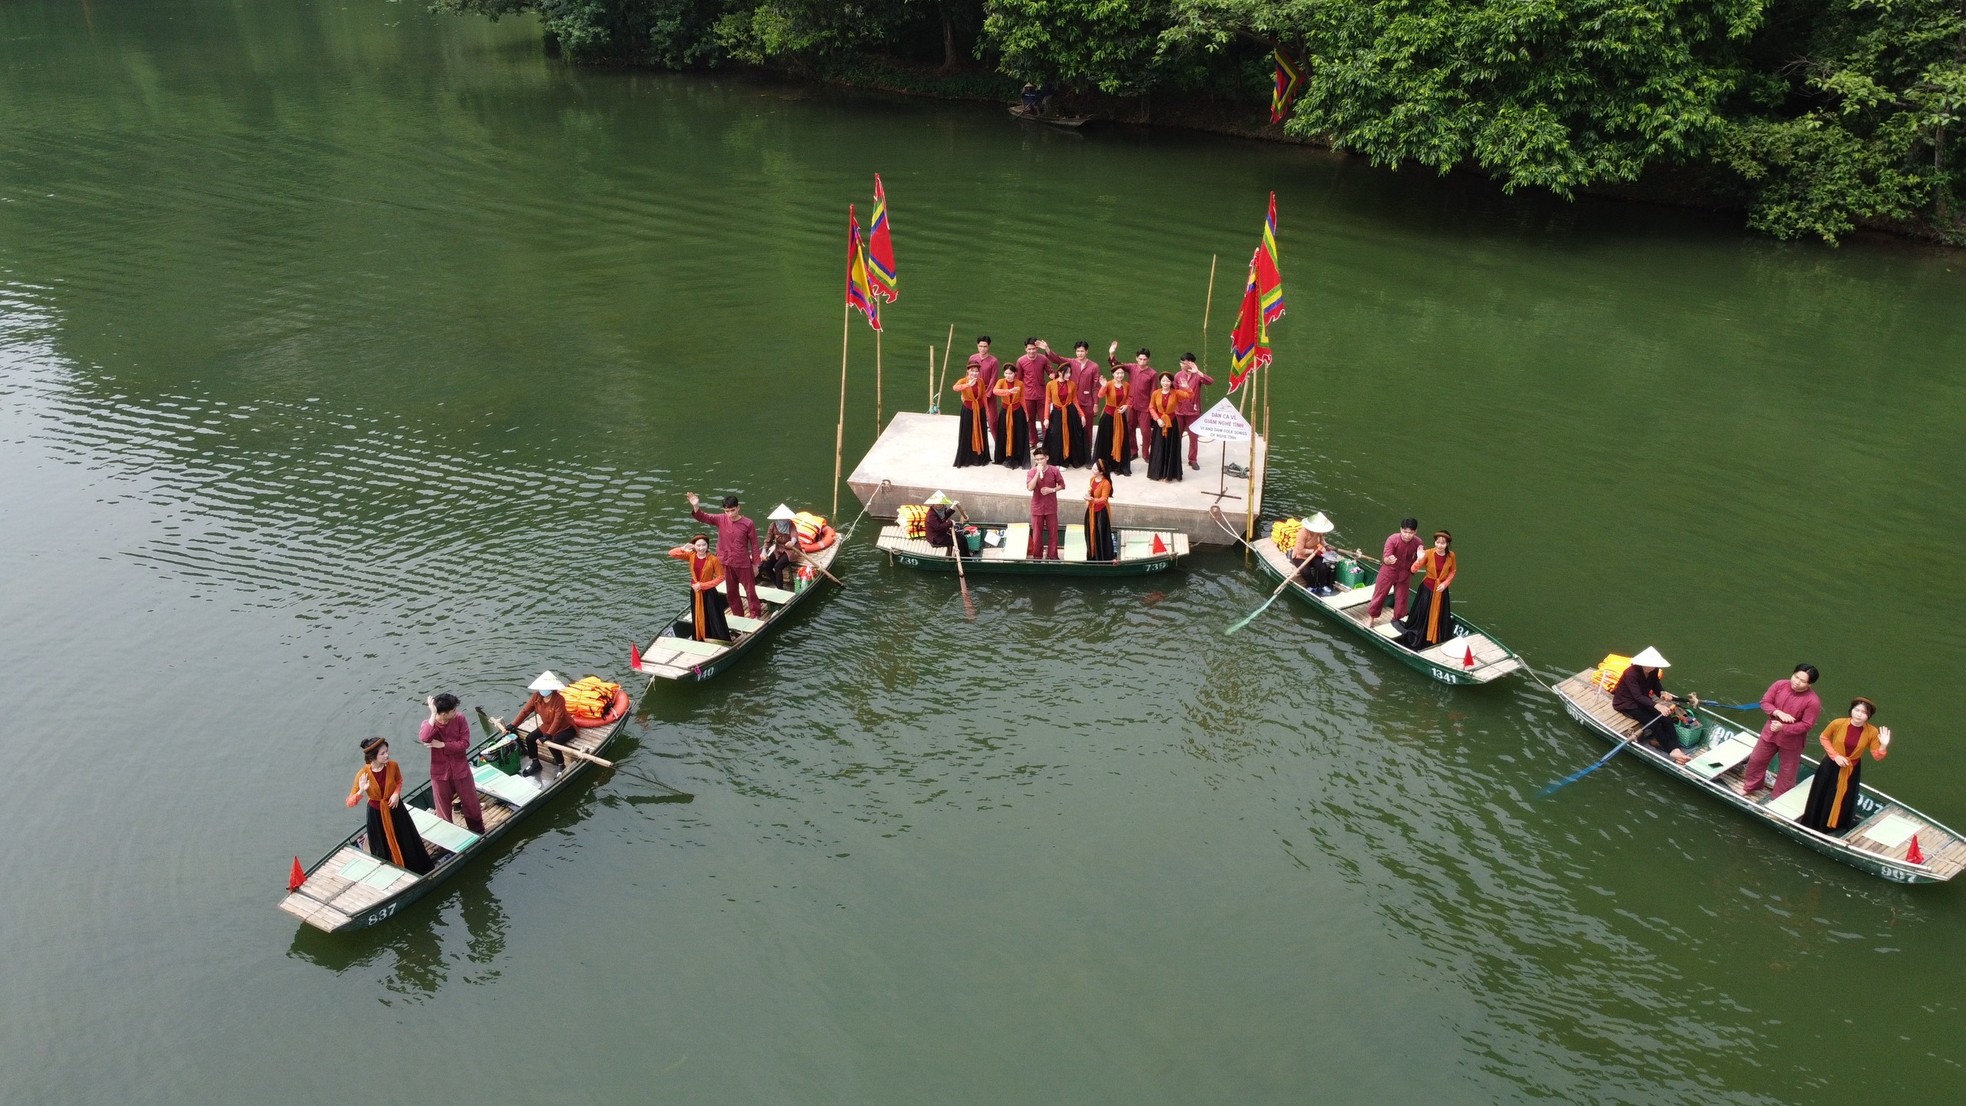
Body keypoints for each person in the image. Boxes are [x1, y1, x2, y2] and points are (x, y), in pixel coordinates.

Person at [1797, 697, 1892, 834]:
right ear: (1851, 710)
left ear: (1868, 716)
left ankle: (1834, 827)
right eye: (1857, 710)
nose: (1859, 714)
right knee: (1823, 793)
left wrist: (1883, 745)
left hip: (1851, 769)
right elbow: (1824, 737)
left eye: (1864, 712)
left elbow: (1877, 756)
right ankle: (1813, 824)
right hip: (1831, 765)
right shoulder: (1838, 723)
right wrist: (1835, 756)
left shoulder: (1872, 732)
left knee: (1845, 798)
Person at [344, 737, 434, 874]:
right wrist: (362, 790)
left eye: (387, 751)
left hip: (396, 808)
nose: (387, 755)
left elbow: (399, 780)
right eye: (382, 753)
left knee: (406, 839)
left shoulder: (393, 766)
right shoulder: (363, 774)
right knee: (383, 845)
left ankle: (417, 870)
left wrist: (396, 793)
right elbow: (350, 803)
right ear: (373, 758)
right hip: (377, 814)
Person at [1738, 664, 1824, 798]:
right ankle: (1751, 786)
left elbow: (1807, 725)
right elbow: (1765, 702)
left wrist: (1784, 727)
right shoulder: (1780, 685)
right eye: (1796, 677)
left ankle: (1778, 798)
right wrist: (1777, 712)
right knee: (1756, 760)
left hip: (1792, 740)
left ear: (1809, 684)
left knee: (1787, 772)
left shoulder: (1813, 701)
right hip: (1770, 732)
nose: (1796, 682)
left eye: (1802, 681)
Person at [1609, 646, 1695, 764]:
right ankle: (1670, 751)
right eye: (1648, 664)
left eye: (1653, 664)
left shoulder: (1653, 670)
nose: (1650, 666)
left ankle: (1676, 748)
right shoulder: (1630, 673)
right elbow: (1637, 696)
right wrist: (1657, 705)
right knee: (1654, 723)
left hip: (1644, 700)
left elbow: (1655, 684)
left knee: (1666, 718)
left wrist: (1662, 693)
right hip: (1627, 703)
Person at [418, 693, 485, 835]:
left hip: (460, 769)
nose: (456, 712)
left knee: (471, 803)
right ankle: (448, 838)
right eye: (453, 710)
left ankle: (478, 831)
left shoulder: (460, 719)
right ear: (442, 713)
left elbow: (464, 743)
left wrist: (442, 745)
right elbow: (424, 737)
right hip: (440, 773)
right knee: (442, 808)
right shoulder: (429, 724)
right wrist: (432, 713)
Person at [688, 492, 761, 619]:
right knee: (731, 593)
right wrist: (696, 505)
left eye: (732, 510)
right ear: (724, 510)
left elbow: (754, 544)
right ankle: (738, 616)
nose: (730, 514)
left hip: (742, 562)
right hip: (725, 563)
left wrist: (756, 564)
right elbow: (703, 517)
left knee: (750, 591)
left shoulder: (748, 523)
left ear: (738, 507)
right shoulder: (721, 519)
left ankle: (756, 615)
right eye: (727, 511)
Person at [508, 670, 576, 777]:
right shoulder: (536, 697)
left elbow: (558, 719)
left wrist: (547, 735)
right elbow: (525, 711)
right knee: (530, 738)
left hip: (565, 727)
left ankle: (561, 765)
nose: (542, 690)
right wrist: (513, 725)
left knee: (554, 742)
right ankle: (535, 763)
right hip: (547, 725)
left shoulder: (559, 699)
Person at [668, 534, 731, 644]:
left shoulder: (713, 559)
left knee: (713, 616)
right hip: (695, 592)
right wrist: (682, 549)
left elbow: (721, 577)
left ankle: (718, 639)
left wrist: (702, 585)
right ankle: (700, 636)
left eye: (704, 545)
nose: (701, 548)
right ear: (694, 546)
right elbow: (672, 553)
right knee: (697, 614)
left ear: (707, 545)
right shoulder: (691, 555)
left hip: (709, 592)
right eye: (698, 545)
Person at [1401, 530, 1457, 649]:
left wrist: (1446, 583)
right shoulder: (1428, 553)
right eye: (1437, 542)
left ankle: (1437, 636)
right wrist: (1419, 559)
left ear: (1447, 544)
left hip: (1441, 591)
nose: (1439, 545)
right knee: (1423, 616)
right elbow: (1413, 570)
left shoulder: (1451, 555)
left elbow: (1453, 571)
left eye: (1442, 543)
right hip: (1427, 590)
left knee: (1441, 616)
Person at [1366, 518, 1422, 625]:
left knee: (1402, 599)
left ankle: (1398, 621)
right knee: (1380, 595)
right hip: (1388, 571)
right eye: (1405, 532)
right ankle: (1371, 617)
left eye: (1410, 533)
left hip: (1405, 573)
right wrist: (1389, 560)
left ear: (1415, 532)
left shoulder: (1418, 543)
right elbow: (1385, 558)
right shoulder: (1392, 539)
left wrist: (1418, 561)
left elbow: (1418, 560)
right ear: (1400, 529)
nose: (1407, 535)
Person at [1111, 342, 1158, 463]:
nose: (1142, 361)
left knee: (1145, 431)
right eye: (1140, 359)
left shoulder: (1152, 373)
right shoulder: (1132, 367)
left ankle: (1146, 453)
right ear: (1136, 358)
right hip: (1131, 404)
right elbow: (1117, 366)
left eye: (1145, 359)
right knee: (1130, 428)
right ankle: (1133, 451)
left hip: (1145, 407)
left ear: (1148, 359)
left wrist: (1152, 408)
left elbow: (1153, 392)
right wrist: (1112, 353)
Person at [1145, 372, 1192, 481]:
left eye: (1167, 381)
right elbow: (1151, 407)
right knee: (1158, 446)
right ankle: (1157, 472)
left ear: (1171, 382)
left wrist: (1186, 387)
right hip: (1159, 423)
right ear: (1160, 381)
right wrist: (1157, 419)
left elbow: (1190, 395)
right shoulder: (1156, 393)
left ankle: (1170, 473)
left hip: (1172, 423)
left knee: (1171, 447)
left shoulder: (1176, 393)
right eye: (1163, 381)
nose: (1165, 383)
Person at [1171, 352, 1215, 471]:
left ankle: (1192, 459)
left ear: (1190, 363)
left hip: (1193, 412)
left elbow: (1210, 382)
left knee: (1193, 437)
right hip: (1179, 411)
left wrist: (1198, 372)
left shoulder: (1197, 376)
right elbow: (1173, 391)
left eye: (1183, 363)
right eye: (1180, 362)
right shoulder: (1178, 376)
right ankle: (1175, 457)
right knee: (1176, 436)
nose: (1181, 364)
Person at [1016, 337, 1065, 438]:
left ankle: (1046, 443)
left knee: (1045, 419)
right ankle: (1033, 441)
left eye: (1033, 349)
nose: (1031, 351)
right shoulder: (1021, 361)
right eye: (1029, 349)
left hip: (1042, 395)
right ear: (1026, 349)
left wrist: (1053, 375)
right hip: (1028, 396)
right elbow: (1019, 379)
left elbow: (1050, 371)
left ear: (1037, 349)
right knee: (1030, 420)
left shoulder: (1043, 359)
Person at [1093, 365, 1134, 476]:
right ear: (1113, 374)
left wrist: (1127, 406)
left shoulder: (1126, 385)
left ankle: (1118, 464)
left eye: (1121, 373)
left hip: (1120, 415)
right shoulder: (1109, 384)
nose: (1120, 375)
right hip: (1108, 416)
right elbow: (1100, 395)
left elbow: (1130, 398)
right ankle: (1105, 464)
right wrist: (1103, 386)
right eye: (1117, 373)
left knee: (1120, 439)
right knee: (1107, 440)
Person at [1027, 447, 1066, 559]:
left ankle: (1053, 555)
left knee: (1053, 533)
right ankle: (1037, 556)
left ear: (1047, 458)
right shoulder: (1031, 472)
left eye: (1041, 459)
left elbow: (1062, 485)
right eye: (1037, 459)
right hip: (1037, 507)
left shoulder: (1054, 470)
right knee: (1037, 535)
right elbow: (1030, 487)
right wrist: (1037, 473)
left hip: (1050, 507)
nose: (1039, 461)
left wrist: (1051, 490)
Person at [1043, 365, 1085, 468]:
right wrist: (1046, 418)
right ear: (1060, 372)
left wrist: (1082, 415)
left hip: (1069, 413)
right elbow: (1048, 402)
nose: (1069, 375)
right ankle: (1057, 460)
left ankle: (1066, 461)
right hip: (1057, 413)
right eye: (1066, 373)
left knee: (1069, 436)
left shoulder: (1072, 384)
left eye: (1070, 373)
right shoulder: (1050, 384)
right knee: (1056, 436)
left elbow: (1075, 401)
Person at [951, 364, 993, 467]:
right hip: (968, 410)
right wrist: (968, 385)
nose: (974, 373)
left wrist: (987, 410)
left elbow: (983, 396)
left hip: (980, 409)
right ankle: (966, 458)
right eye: (972, 371)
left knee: (981, 432)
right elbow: (955, 388)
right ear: (968, 372)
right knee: (967, 433)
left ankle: (980, 457)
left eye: (976, 371)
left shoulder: (981, 381)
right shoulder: (964, 380)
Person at [991, 365, 1030, 468]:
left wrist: (1026, 412)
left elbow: (1022, 398)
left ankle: (1017, 456)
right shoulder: (1001, 382)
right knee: (1004, 433)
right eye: (1006, 373)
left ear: (1015, 374)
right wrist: (1008, 391)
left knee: (1017, 433)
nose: (1008, 376)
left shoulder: (1020, 384)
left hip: (1017, 411)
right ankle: (1004, 456)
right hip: (1005, 411)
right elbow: (995, 391)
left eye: (1010, 373)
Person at [1290, 512, 1337, 593]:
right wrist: (1313, 551)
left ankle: (1322, 585)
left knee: (1323, 567)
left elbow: (1322, 541)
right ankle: (1312, 585)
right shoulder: (1302, 534)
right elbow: (1299, 550)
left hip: (1314, 554)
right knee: (1306, 572)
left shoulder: (1319, 533)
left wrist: (1326, 546)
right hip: (1301, 556)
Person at [1065, 341, 1103, 436]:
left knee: (1087, 428)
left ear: (1087, 351)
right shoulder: (1071, 362)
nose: (1080, 353)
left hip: (1087, 402)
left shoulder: (1094, 366)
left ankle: (1087, 449)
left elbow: (1096, 387)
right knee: (1072, 427)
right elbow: (1057, 359)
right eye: (1078, 351)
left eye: (1082, 351)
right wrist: (1047, 349)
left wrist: (1096, 404)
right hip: (1072, 401)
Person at [757, 504, 800, 588]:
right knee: (766, 566)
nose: (782, 520)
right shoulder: (773, 526)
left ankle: (780, 589)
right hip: (779, 548)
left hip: (790, 550)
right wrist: (764, 551)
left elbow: (794, 534)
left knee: (778, 566)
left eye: (784, 518)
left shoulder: (791, 525)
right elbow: (768, 540)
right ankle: (777, 584)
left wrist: (792, 542)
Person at [1085, 458, 1117, 560]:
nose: (1092, 471)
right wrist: (1088, 495)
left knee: (1101, 535)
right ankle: (1092, 555)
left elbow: (1104, 499)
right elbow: (1091, 491)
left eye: (1095, 470)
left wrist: (1092, 500)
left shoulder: (1106, 483)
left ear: (1101, 472)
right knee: (1090, 532)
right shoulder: (1092, 479)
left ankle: (1103, 557)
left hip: (1100, 512)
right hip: (1091, 510)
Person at [967, 336, 1001, 426]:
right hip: (974, 392)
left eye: (985, 346)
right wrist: (966, 390)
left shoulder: (993, 361)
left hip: (988, 393)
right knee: (974, 418)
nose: (982, 349)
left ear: (989, 346)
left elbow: (994, 379)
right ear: (977, 346)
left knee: (992, 420)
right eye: (980, 346)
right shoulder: (972, 358)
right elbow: (968, 375)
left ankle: (998, 440)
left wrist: (987, 394)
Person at [923, 492, 965, 558]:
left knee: (963, 538)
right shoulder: (931, 515)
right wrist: (950, 523)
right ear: (934, 504)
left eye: (940, 503)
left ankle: (967, 554)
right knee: (959, 542)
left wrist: (953, 507)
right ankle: (963, 558)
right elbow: (938, 527)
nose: (939, 505)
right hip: (937, 538)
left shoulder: (941, 509)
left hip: (942, 532)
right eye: (937, 504)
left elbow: (944, 516)